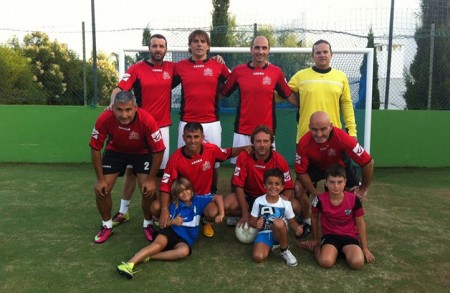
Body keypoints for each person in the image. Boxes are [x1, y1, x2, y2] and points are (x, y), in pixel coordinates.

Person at [286, 39, 359, 239]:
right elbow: (281, 93)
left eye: (325, 52)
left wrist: (351, 131)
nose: (322, 55)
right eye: (317, 52)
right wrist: (296, 101)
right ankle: (308, 219)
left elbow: (346, 105)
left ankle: (340, 220)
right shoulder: (301, 76)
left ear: (331, 54)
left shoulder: (340, 77)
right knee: (300, 187)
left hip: (334, 143)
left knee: (340, 185)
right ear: (312, 55)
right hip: (306, 141)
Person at [107, 34, 175, 239]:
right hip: (139, 127)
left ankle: (156, 212)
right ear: (149, 48)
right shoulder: (136, 68)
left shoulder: (172, 69)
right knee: (131, 171)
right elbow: (119, 89)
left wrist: (217, 59)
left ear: (166, 49)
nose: (158, 49)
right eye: (154, 46)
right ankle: (123, 211)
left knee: (158, 173)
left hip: (162, 128)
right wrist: (112, 104)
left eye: (161, 46)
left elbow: (194, 67)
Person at [89, 90, 165, 244]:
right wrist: (100, 179)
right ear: (112, 108)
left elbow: (159, 150)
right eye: (119, 110)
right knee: (102, 190)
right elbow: (95, 147)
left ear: (135, 108)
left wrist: (151, 179)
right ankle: (107, 225)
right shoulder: (105, 119)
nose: (124, 115)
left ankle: (148, 224)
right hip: (115, 151)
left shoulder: (147, 120)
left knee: (147, 190)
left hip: (141, 152)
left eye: (128, 110)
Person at [117, 177, 224, 279]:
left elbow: (218, 197)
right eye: (181, 191)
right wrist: (173, 221)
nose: (185, 193)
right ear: (176, 195)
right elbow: (162, 224)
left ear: (191, 190)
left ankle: (150, 256)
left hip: (185, 240)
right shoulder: (174, 205)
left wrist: (221, 214)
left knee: (184, 251)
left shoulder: (198, 200)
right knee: (158, 245)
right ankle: (128, 264)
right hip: (170, 232)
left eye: (187, 189)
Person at [156, 122, 252, 238]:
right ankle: (172, 219)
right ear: (183, 138)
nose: (192, 141)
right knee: (156, 207)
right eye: (189, 137)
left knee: (212, 212)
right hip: (184, 197)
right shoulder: (176, 158)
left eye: (196, 137)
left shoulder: (211, 149)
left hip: (204, 197)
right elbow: (165, 185)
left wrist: (244, 148)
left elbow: (228, 153)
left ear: (202, 137)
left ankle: (206, 222)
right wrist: (164, 209)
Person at [295, 111, 374, 239]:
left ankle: (349, 225)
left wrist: (363, 189)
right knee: (298, 188)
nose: (319, 134)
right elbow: (301, 172)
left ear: (331, 126)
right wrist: (315, 194)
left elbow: (368, 162)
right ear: (309, 128)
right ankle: (307, 221)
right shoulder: (304, 142)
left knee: (355, 195)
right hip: (315, 167)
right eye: (314, 130)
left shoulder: (343, 138)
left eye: (323, 129)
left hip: (339, 167)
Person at [220, 35, 295, 164]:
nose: (260, 51)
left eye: (264, 48)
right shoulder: (238, 71)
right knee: (240, 167)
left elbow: (289, 95)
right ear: (251, 49)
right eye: (257, 48)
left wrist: (306, 105)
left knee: (267, 169)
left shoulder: (276, 72)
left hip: (267, 132)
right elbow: (222, 93)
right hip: (242, 131)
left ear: (269, 50)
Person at [172, 29, 230, 193]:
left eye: (203, 41)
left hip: (211, 122)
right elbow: (165, 85)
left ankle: (211, 194)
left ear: (208, 46)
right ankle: (184, 198)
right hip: (187, 122)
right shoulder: (180, 66)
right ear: (190, 46)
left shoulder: (218, 65)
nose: (199, 44)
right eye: (195, 41)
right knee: (185, 162)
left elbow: (233, 83)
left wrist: (219, 95)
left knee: (213, 163)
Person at [298, 164, 375, 269]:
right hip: (330, 236)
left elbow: (360, 223)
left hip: (349, 236)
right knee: (325, 262)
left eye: (339, 182)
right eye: (332, 182)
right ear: (326, 183)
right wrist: (315, 239)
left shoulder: (354, 199)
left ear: (345, 182)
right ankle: (316, 248)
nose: (336, 186)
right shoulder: (319, 200)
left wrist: (365, 248)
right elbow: (314, 217)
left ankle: (343, 251)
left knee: (357, 263)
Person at [224, 125, 300, 227]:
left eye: (265, 141)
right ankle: (246, 214)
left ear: (271, 143)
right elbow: (238, 186)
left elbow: (289, 187)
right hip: (249, 197)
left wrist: (281, 202)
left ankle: (277, 218)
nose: (262, 145)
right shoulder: (244, 156)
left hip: (271, 197)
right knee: (227, 205)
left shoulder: (280, 160)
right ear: (253, 143)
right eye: (258, 141)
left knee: (295, 206)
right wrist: (245, 213)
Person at [248, 168, 303, 267]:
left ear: (282, 187)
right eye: (270, 183)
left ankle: (284, 250)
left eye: (277, 184)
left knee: (278, 222)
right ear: (264, 185)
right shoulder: (258, 201)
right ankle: (271, 246)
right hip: (264, 233)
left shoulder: (286, 203)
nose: (273, 187)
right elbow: (251, 221)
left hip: (279, 233)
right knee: (258, 257)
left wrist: (297, 228)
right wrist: (256, 224)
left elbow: (292, 222)